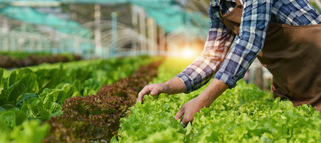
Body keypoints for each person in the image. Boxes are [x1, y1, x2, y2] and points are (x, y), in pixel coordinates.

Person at [137, 0, 321, 126]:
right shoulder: (219, 6)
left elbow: (249, 42)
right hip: (291, 82)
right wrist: (167, 86)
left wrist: (203, 100)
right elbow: (211, 57)